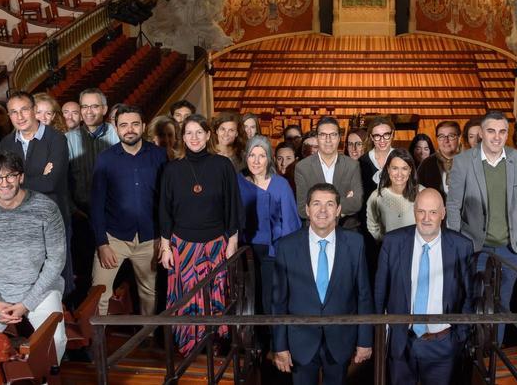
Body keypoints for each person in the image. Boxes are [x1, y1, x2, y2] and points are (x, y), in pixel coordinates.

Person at [0, 151, 68, 363]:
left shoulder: (46, 208)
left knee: (55, 342)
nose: (4, 183)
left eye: (10, 176)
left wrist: (26, 303)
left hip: (40, 289)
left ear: (21, 177)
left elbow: (56, 261)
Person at [272, 184, 373, 385]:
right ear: (307, 209)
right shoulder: (286, 246)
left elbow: (363, 295)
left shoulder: (356, 244)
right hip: (300, 342)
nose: (323, 210)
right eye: (316, 204)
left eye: (329, 204)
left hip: (341, 340)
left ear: (338, 210)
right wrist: (280, 345)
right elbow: (278, 301)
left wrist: (365, 340)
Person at [158, 114, 242, 354]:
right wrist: (165, 247)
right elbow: (164, 209)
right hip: (182, 245)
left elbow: (233, 204)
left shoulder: (222, 165)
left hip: (216, 243)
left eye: (199, 132)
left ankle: (213, 342)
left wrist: (232, 240)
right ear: (182, 138)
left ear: (208, 135)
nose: (194, 137)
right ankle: (189, 343)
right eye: (188, 133)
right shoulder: (172, 169)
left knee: (215, 293)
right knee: (186, 298)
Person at [374, 188, 474, 385]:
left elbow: (469, 296)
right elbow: (379, 293)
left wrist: (458, 337)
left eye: (433, 212)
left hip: (443, 344)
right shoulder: (393, 242)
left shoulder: (461, 246)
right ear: (414, 212)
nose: (426, 218)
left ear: (443, 213)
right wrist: (381, 338)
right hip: (401, 342)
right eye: (421, 211)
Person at [445, 111, 517, 342]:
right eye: (491, 131)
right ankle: (470, 354)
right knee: (474, 301)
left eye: (502, 131)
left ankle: (495, 357)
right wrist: (457, 243)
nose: (497, 137)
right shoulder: (463, 161)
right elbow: (453, 206)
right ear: (481, 133)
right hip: (475, 247)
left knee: (502, 305)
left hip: (510, 249)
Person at [91, 105, 166, 316]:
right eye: (123, 125)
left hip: (150, 238)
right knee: (99, 294)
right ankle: (98, 346)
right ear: (116, 128)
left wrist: (164, 237)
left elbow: (166, 201)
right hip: (114, 239)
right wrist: (102, 243)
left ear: (143, 126)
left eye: (134, 124)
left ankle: (148, 338)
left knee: (149, 293)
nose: (129, 129)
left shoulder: (159, 156)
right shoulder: (105, 159)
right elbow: (97, 204)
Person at [0, 91, 72, 294]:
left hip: (51, 217)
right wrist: (36, 177)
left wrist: (17, 182)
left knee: (57, 280)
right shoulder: (5, 144)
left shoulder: (56, 139)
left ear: (34, 111)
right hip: (18, 220)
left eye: (24, 110)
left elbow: (51, 183)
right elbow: (3, 185)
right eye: (13, 112)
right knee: (26, 279)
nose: (19, 117)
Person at [238, 135, 301, 347]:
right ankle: (252, 345)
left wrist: (284, 254)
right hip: (244, 249)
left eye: (261, 156)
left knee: (270, 300)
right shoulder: (239, 182)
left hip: (273, 250)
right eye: (252, 155)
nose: (256, 161)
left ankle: (274, 345)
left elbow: (291, 222)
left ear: (269, 159)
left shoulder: (280, 184)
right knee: (248, 300)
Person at [294, 117, 364, 230]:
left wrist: (317, 205)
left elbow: (357, 203)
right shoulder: (302, 167)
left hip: (346, 228)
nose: (328, 140)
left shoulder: (352, 165)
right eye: (323, 135)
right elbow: (302, 209)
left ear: (339, 138)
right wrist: (342, 204)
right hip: (315, 230)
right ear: (317, 138)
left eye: (333, 135)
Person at [366, 149, 420, 241]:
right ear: (388, 169)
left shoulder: (422, 193)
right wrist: (387, 241)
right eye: (395, 168)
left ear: (410, 170)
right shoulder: (376, 197)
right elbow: (372, 227)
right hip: (389, 250)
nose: (399, 174)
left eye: (404, 168)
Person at [359, 116, 399, 198]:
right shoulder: (362, 162)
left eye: (386, 135)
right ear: (371, 138)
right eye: (377, 136)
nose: (382, 140)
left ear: (392, 134)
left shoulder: (402, 158)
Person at [418, 121, 458, 196]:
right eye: (441, 137)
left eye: (451, 136)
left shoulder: (470, 162)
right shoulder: (426, 164)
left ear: (459, 137)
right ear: (437, 139)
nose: (446, 141)